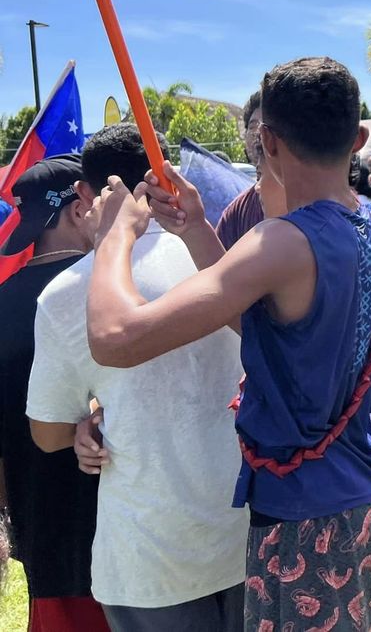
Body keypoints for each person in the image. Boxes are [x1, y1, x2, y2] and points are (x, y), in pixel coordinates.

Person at [83, 59, 371, 631]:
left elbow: (114, 338)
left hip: (307, 526)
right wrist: (197, 229)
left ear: (268, 142)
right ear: (357, 139)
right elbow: (259, 320)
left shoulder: (282, 241)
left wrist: (113, 239)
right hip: (364, 505)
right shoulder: (367, 228)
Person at [25, 126, 246, 631]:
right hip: (244, 530)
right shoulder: (223, 258)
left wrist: (91, 419)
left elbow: (49, 432)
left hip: (150, 556)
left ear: (87, 195)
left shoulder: (65, 296)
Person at [0, 155, 108, 632]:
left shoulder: (3, 302)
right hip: (119, 517)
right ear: (78, 207)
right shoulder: (110, 290)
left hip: (40, 522)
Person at [214, 91, 265, 248]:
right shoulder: (237, 211)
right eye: (253, 126)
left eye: (266, 125)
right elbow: (220, 269)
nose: (259, 134)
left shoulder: (311, 206)